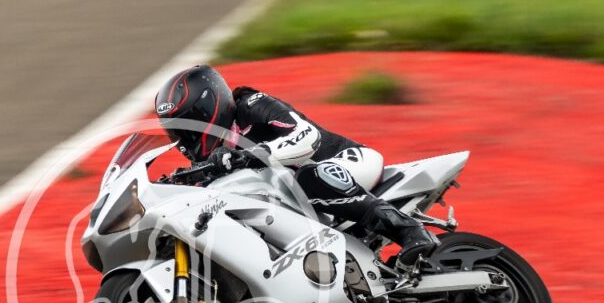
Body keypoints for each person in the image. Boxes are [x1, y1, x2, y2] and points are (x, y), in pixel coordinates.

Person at [154, 64, 436, 267]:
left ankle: (408, 230)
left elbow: (307, 136)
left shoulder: (251, 104)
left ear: (209, 110)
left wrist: (253, 154)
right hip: (301, 199)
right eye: (176, 131)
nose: (184, 138)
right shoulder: (217, 157)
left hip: (343, 161)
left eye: (188, 126)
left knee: (308, 178)